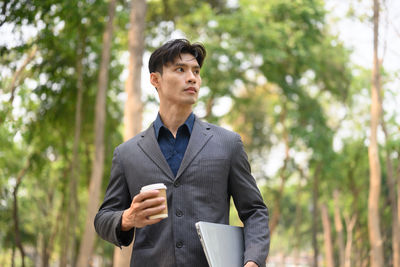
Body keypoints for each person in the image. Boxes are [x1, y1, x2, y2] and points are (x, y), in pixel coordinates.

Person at [94, 39, 270, 267]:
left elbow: (255, 211)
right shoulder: (127, 154)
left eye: (196, 71)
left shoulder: (228, 144)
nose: (192, 78)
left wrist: (252, 261)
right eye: (180, 69)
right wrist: (127, 218)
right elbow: (103, 218)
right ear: (155, 80)